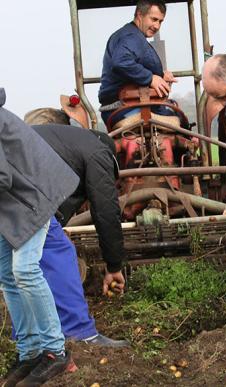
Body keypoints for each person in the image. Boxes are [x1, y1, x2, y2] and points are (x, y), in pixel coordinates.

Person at [20, 115, 129, 347]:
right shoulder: (99, 153)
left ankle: (28, 339)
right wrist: (114, 265)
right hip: (22, 187)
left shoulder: (69, 142)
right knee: (60, 251)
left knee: (24, 267)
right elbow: (106, 212)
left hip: (11, 181)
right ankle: (79, 332)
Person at [0, 88, 79, 386]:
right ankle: (30, 351)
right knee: (7, 274)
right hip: (10, 205)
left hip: (32, 198)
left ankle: (55, 352)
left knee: (25, 269)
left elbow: (2, 177)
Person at [98, 0, 177, 125]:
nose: (157, 26)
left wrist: (160, 75)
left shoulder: (132, 36)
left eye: (160, 21)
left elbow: (133, 64)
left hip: (131, 105)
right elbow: (121, 62)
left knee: (176, 112)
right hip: (124, 108)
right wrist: (150, 78)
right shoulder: (131, 36)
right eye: (154, 19)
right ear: (140, 15)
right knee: (180, 121)